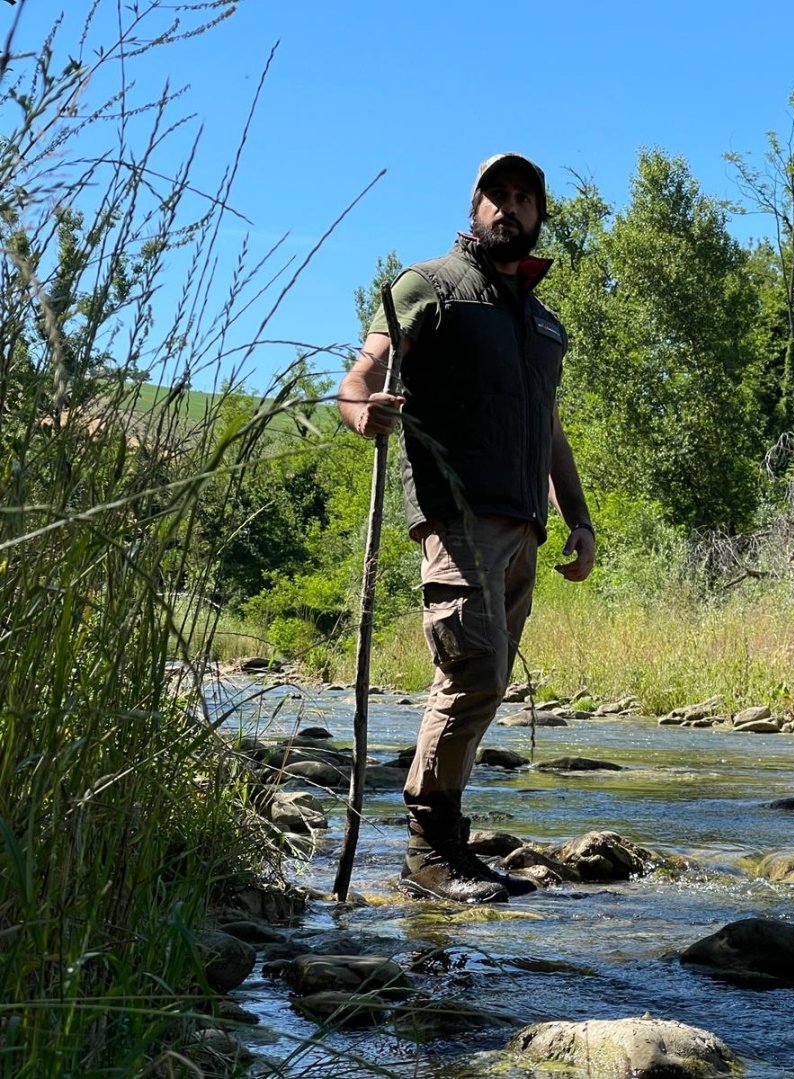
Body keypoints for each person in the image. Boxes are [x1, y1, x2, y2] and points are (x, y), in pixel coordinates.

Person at [338, 152, 595, 903]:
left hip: (523, 528)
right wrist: (364, 413)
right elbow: (363, 374)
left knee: (486, 682)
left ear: (539, 215)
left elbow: (549, 430)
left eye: (523, 198)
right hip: (454, 515)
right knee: (471, 672)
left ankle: (446, 843)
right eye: (496, 196)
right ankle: (428, 850)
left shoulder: (542, 322)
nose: (508, 209)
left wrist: (577, 518)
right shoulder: (429, 286)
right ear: (474, 204)